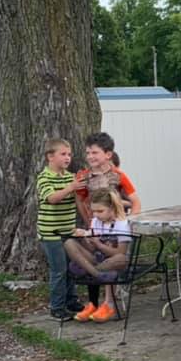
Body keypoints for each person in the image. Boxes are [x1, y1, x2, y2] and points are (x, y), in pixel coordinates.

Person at [36, 138, 86, 321]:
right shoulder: (44, 177)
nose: (67, 158)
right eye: (63, 154)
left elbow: (79, 200)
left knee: (71, 268)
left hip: (69, 232)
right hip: (51, 234)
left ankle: (71, 300)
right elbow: (52, 199)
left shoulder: (71, 177)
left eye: (69, 154)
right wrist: (71, 187)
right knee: (59, 270)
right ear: (50, 156)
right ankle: (56, 307)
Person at [65, 189, 132, 323]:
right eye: (94, 211)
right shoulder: (96, 221)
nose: (96, 215)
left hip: (114, 262)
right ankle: (96, 274)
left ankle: (108, 303)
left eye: (100, 211)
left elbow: (120, 253)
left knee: (117, 260)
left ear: (112, 208)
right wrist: (84, 238)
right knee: (69, 242)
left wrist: (99, 245)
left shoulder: (122, 224)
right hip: (98, 261)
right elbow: (92, 249)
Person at [75, 132, 141, 224]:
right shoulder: (83, 176)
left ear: (108, 155)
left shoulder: (118, 175)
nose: (90, 156)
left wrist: (128, 223)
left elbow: (136, 202)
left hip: (116, 225)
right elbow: (80, 201)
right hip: (96, 224)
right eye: (88, 153)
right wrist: (89, 223)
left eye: (94, 153)